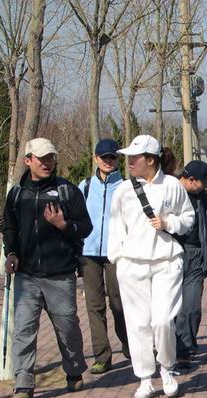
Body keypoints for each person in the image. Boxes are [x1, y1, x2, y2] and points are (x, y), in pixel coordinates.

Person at [3, 138, 93, 398]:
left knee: (67, 329)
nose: (47, 163)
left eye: (51, 158)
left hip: (60, 274)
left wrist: (63, 224)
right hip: (27, 275)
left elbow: (85, 227)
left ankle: (74, 371)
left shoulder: (68, 191)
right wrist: (11, 253)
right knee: (23, 329)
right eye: (41, 158)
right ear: (28, 160)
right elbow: (9, 228)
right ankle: (23, 384)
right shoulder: (17, 194)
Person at [107, 135, 194, 398]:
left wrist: (169, 224)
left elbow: (188, 218)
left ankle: (166, 368)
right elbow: (116, 227)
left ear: (151, 160)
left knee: (162, 321)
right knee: (139, 324)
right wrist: (118, 259)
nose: (129, 162)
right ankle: (145, 379)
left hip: (166, 261)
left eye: (135, 158)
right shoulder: (123, 190)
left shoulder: (172, 186)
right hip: (132, 264)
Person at [78, 139, 129, 375]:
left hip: (116, 253)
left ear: (117, 160)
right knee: (94, 305)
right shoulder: (85, 186)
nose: (108, 161)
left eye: (112, 157)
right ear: (96, 158)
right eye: (104, 157)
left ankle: (130, 343)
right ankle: (102, 356)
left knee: (118, 302)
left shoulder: (126, 187)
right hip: (88, 254)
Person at [175, 160, 207, 369]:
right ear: (191, 180)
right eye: (203, 183)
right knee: (171, 308)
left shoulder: (201, 196)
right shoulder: (171, 191)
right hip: (172, 254)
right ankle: (173, 347)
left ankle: (185, 349)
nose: (205, 187)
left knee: (192, 306)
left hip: (196, 255)